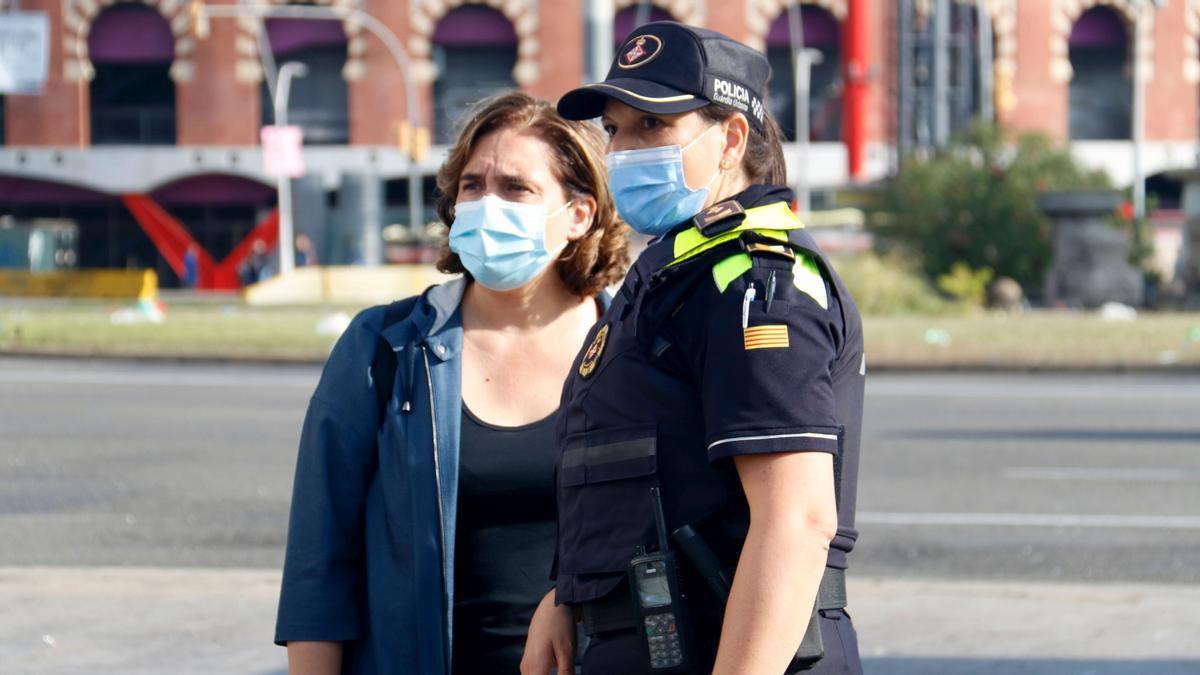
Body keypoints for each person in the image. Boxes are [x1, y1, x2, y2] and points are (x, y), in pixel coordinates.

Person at [524, 22, 865, 675]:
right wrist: (569, 597)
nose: (622, 149)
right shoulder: (679, 274)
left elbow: (797, 522)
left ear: (732, 139)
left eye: (653, 128)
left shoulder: (756, 286)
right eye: (616, 129)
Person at [275, 91, 629, 675]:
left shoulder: (632, 353)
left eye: (516, 188)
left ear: (579, 214)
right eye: (473, 185)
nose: (488, 203)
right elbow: (320, 563)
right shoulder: (383, 347)